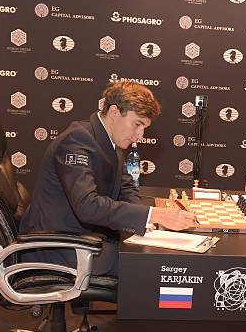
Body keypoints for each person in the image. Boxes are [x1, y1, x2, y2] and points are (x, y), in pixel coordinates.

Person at [19, 81, 196, 276]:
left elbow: (125, 186)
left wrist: (148, 222)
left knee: (154, 253)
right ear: (113, 112)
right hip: (58, 247)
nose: (139, 136)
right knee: (152, 267)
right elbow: (87, 206)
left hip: (86, 237)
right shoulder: (77, 140)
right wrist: (154, 215)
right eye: (137, 124)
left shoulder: (109, 140)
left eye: (144, 128)